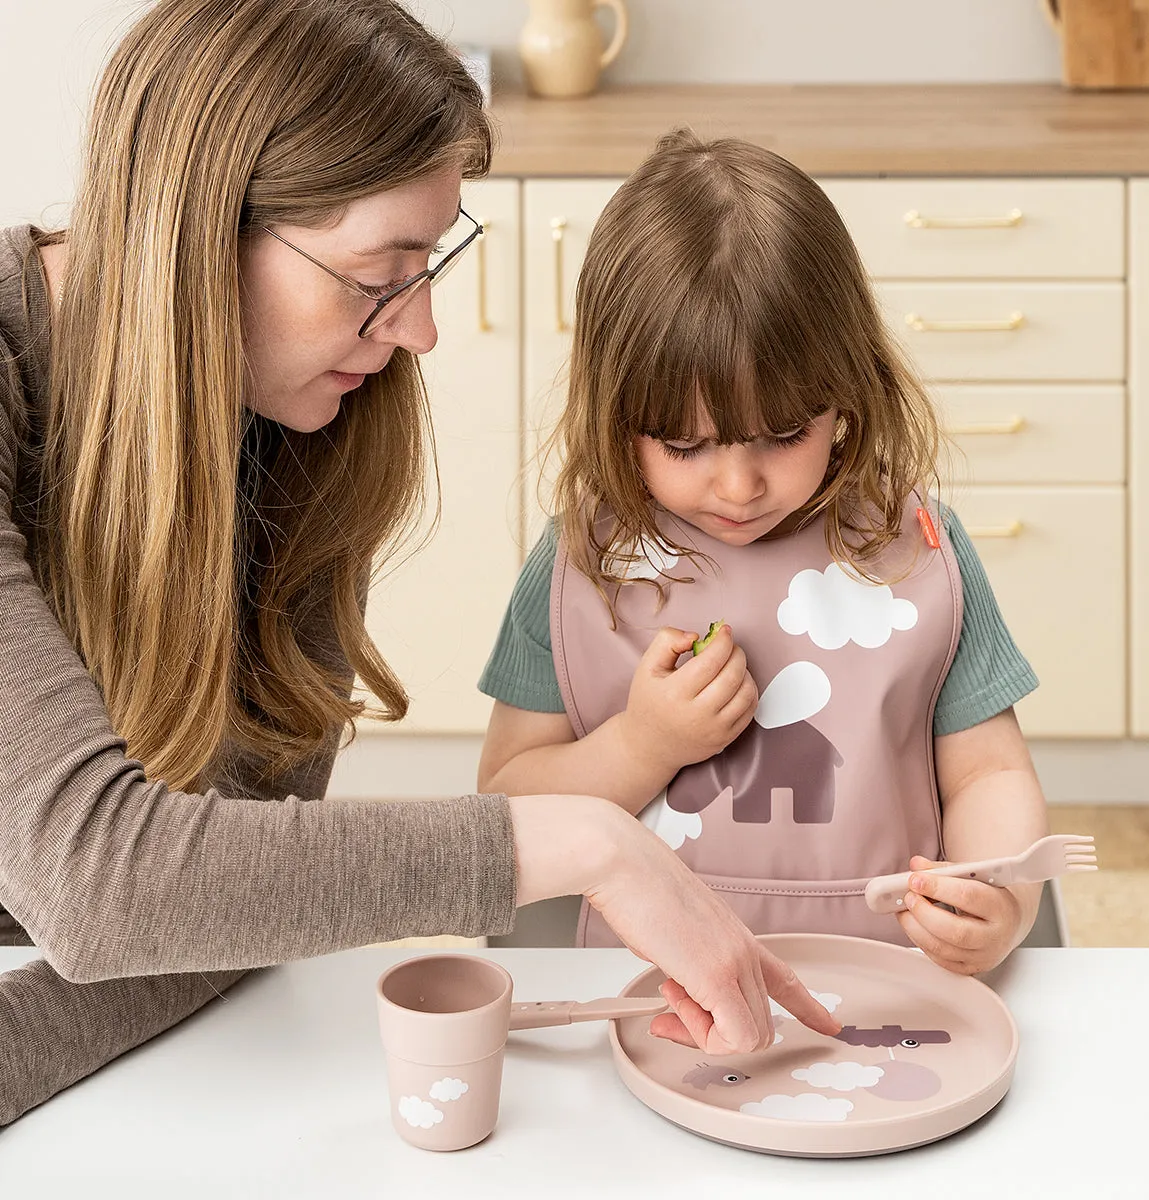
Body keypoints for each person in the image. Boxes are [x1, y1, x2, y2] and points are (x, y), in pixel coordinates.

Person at [0, 3, 840, 1127]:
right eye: (378, 273)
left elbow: (228, 904)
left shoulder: (287, 423)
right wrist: (586, 841)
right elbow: (113, 883)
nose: (422, 328)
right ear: (203, 227)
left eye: (429, 262)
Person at [478, 129, 1051, 973]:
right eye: (684, 445)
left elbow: (989, 777)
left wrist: (999, 897)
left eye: (783, 434)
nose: (739, 485)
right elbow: (502, 811)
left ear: (847, 391)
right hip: (644, 987)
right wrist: (642, 745)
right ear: (615, 415)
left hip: (883, 982)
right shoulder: (582, 567)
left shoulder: (916, 550)